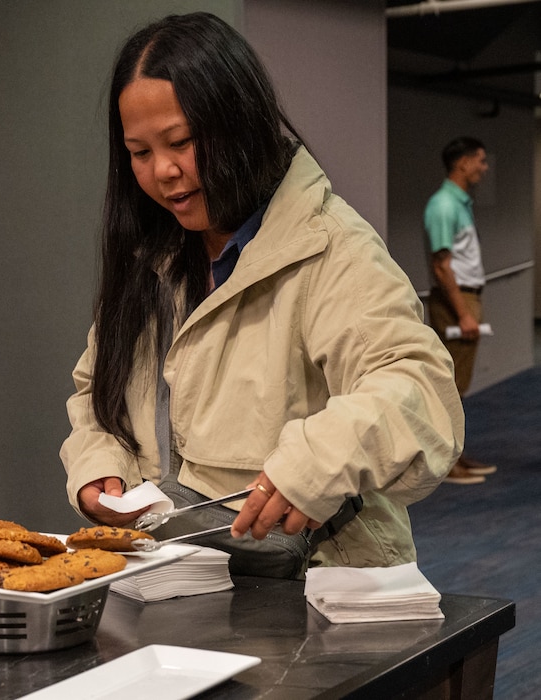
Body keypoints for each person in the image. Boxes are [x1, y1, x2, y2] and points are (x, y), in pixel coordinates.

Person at [60, 13, 464, 577]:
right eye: (140, 152)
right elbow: (95, 394)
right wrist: (100, 466)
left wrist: (319, 461)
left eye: (181, 142)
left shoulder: (329, 245)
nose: (165, 172)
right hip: (184, 578)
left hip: (321, 583)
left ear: (241, 124)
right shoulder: (148, 260)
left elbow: (419, 393)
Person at [424, 137, 494, 485]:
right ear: (463, 163)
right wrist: (463, 313)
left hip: (467, 299)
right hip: (457, 301)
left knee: (459, 385)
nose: (484, 167)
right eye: (480, 161)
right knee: (449, 385)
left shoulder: (459, 203)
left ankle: (456, 455)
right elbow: (441, 266)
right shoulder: (443, 205)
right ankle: (445, 463)